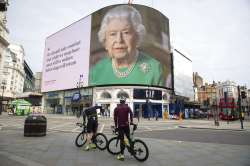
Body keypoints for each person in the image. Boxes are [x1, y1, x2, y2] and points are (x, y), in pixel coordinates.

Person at [90, 5, 165, 86]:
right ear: (105, 41)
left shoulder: (154, 68)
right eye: (113, 34)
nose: (119, 40)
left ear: (137, 36)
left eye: (126, 32)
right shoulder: (97, 71)